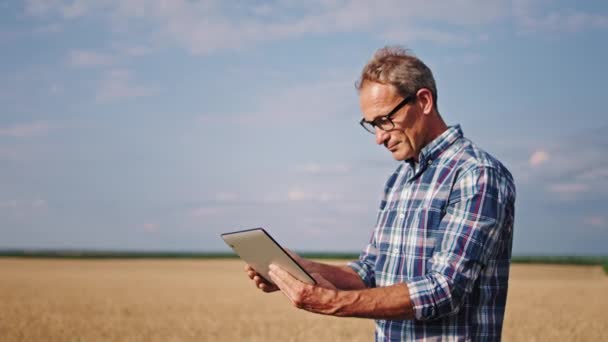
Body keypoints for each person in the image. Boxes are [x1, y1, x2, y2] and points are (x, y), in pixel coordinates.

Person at [245, 46, 516, 341]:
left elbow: (445, 289)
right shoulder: (399, 179)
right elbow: (370, 272)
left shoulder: (475, 173)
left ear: (424, 101)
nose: (379, 138)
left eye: (384, 120)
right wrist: (301, 269)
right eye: (371, 125)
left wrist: (331, 302)